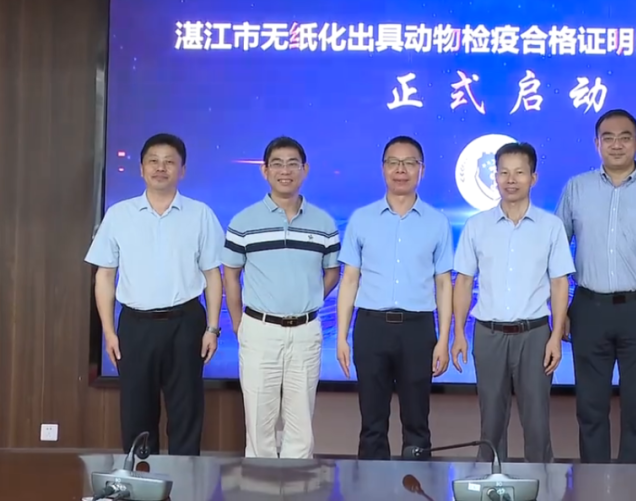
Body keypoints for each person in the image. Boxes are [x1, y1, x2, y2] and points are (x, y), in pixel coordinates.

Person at [555, 109, 636, 464]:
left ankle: (633, 484)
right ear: (596, 143)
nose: (616, 145)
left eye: (624, 137)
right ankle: (594, 482)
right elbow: (556, 254)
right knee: (590, 407)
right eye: (607, 138)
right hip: (589, 309)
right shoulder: (576, 188)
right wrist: (560, 313)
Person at [85, 133, 224, 456]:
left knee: (186, 410)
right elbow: (104, 276)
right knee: (136, 411)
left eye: (169, 162)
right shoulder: (119, 214)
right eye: (153, 161)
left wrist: (212, 328)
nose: (161, 168)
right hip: (136, 325)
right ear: (141, 168)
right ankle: (142, 477)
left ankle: (185, 479)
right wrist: (108, 331)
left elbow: (213, 275)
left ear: (182, 170)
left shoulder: (200, 214)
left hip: (186, 323)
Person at [450, 142, 574, 464]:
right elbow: (463, 282)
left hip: (534, 335)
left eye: (519, 172)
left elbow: (560, 283)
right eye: (503, 172)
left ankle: (543, 485)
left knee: (537, 424)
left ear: (533, 177)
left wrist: (555, 336)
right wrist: (458, 333)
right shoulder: (477, 226)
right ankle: (490, 485)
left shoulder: (550, 227)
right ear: (495, 177)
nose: (511, 179)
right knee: (490, 423)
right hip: (488, 334)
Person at [221, 136, 341, 459]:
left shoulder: (324, 223)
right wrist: (239, 324)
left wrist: (309, 298)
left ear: (305, 170)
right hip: (259, 330)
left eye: (292, 164)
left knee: (300, 429)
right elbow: (230, 275)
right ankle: (259, 486)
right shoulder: (243, 222)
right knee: (259, 427)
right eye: (277, 164)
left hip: (305, 332)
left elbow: (332, 272)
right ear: (265, 171)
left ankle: (296, 486)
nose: (285, 171)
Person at [336, 136, 454, 460]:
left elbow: (444, 284)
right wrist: (342, 337)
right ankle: (372, 486)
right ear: (383, 168)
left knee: (417, 422)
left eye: (409, 163)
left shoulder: (437, 222)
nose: (401, 170)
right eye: (393, 162)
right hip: (371, 327)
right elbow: (349, 280)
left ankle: (416, 484)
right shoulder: (361, 219)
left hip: (418, 329)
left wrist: (444, 339)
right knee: (372, 423)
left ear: (422, 170)